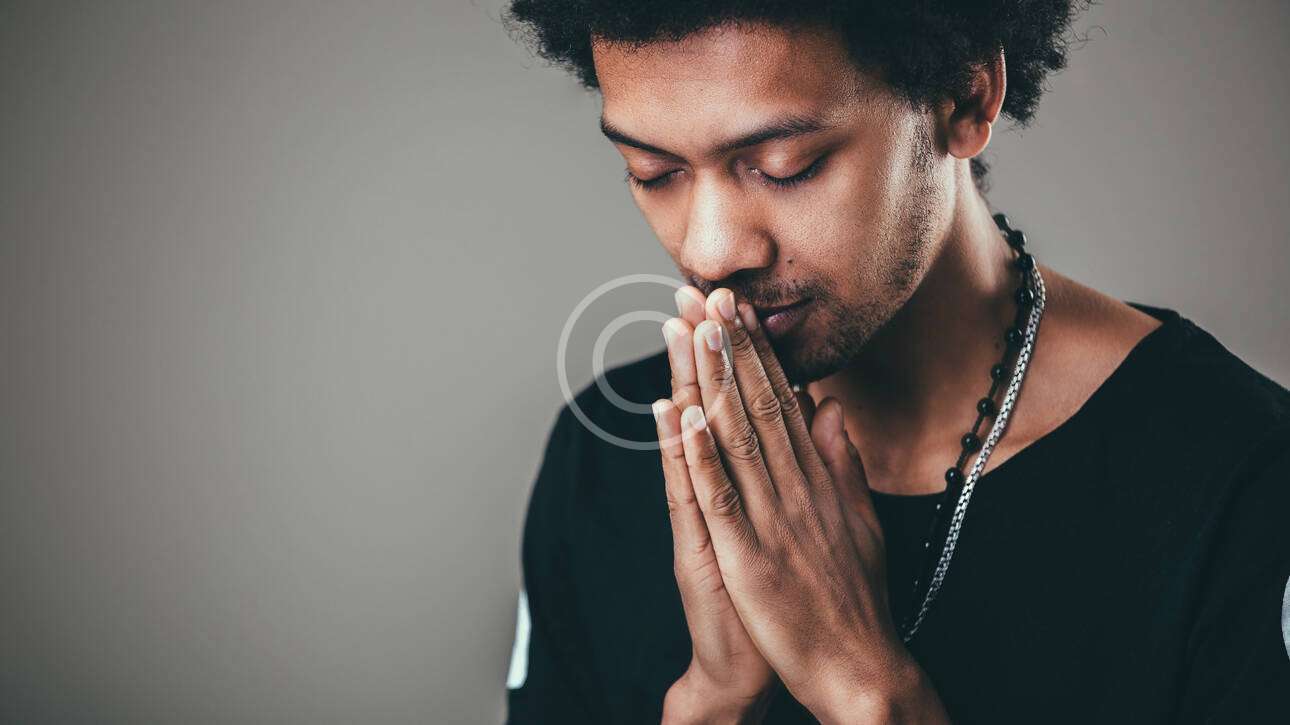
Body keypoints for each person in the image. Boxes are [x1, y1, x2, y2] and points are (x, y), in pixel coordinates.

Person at [500, 2, 1290, 722]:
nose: (709, 250)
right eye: (654, 172)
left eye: (785, 164)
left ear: (966, 98)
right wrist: (713, 700)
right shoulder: (602, 456)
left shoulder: (1241, 482)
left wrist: (867, 690)